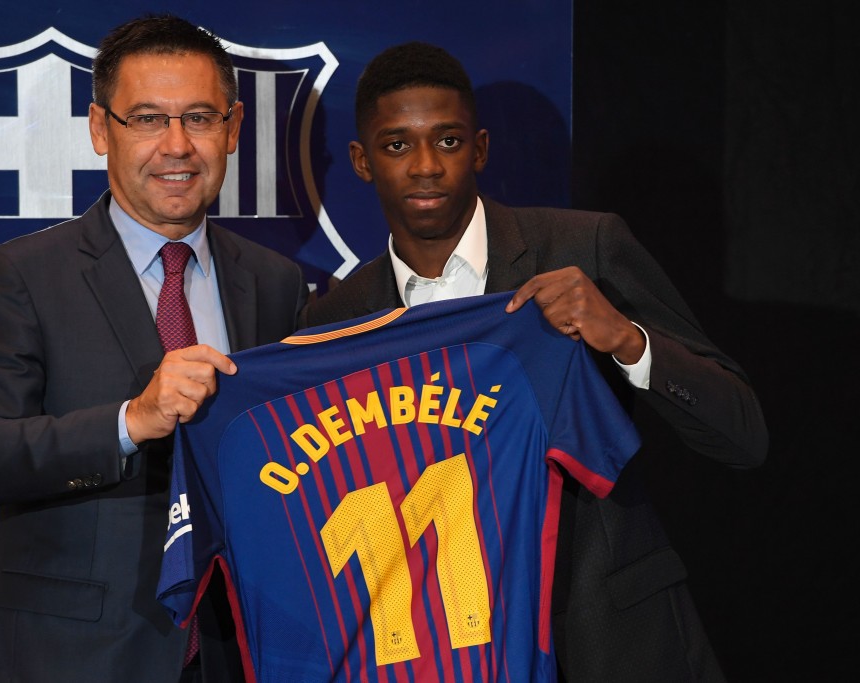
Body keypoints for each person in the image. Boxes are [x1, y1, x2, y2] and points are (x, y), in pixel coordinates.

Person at [301, 41, 768, 682]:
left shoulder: (584, 246)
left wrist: (628, 339)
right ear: (361, 161)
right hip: (445, 650)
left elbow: (743, 434)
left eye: (448, 141)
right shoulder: (337, 318)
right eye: (396, 145)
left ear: (482, 148)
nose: (426, 168)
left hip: (607, 641)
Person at [0, 14, 306, 682]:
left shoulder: (274, 283)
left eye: (198, 117)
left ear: (233, 127)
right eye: (146, 119)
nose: (176, 146)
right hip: (70, 660)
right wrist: (131, 420)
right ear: (101, 129)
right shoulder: (21, 275)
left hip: (237, 650)